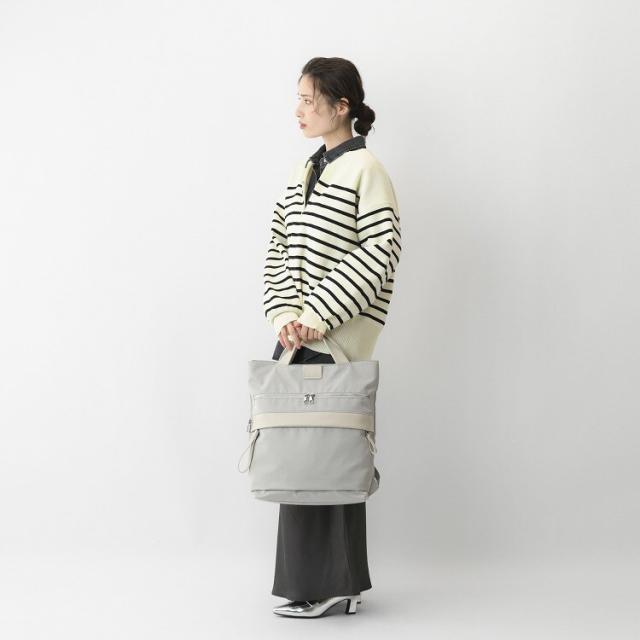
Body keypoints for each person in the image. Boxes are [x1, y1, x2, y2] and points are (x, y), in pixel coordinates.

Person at [263, 56, 402, 618]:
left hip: (334, 339)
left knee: (325, 459)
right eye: (297, 98)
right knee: (310, 460)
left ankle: (327, 586)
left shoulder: (367, 169)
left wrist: (318, 315)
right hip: (298, 339)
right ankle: (334, 584)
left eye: (307, 99)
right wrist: (284, 316)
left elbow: (380, 253)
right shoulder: (305, 171)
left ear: (341, 106)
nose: (298, 109)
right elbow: (278, 248)